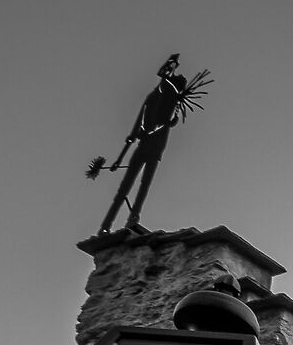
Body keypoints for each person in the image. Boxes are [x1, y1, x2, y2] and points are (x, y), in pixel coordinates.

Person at [88, 56, 210, 235]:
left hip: (155, 148)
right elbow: (136, 127)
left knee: (141, 186)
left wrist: (149, 131)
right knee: (127, 187)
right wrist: (119, 158)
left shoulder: (171, 100)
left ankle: (131, 219)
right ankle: (107, 225)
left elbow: (163, 123)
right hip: (146, 146)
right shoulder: (156, 97)